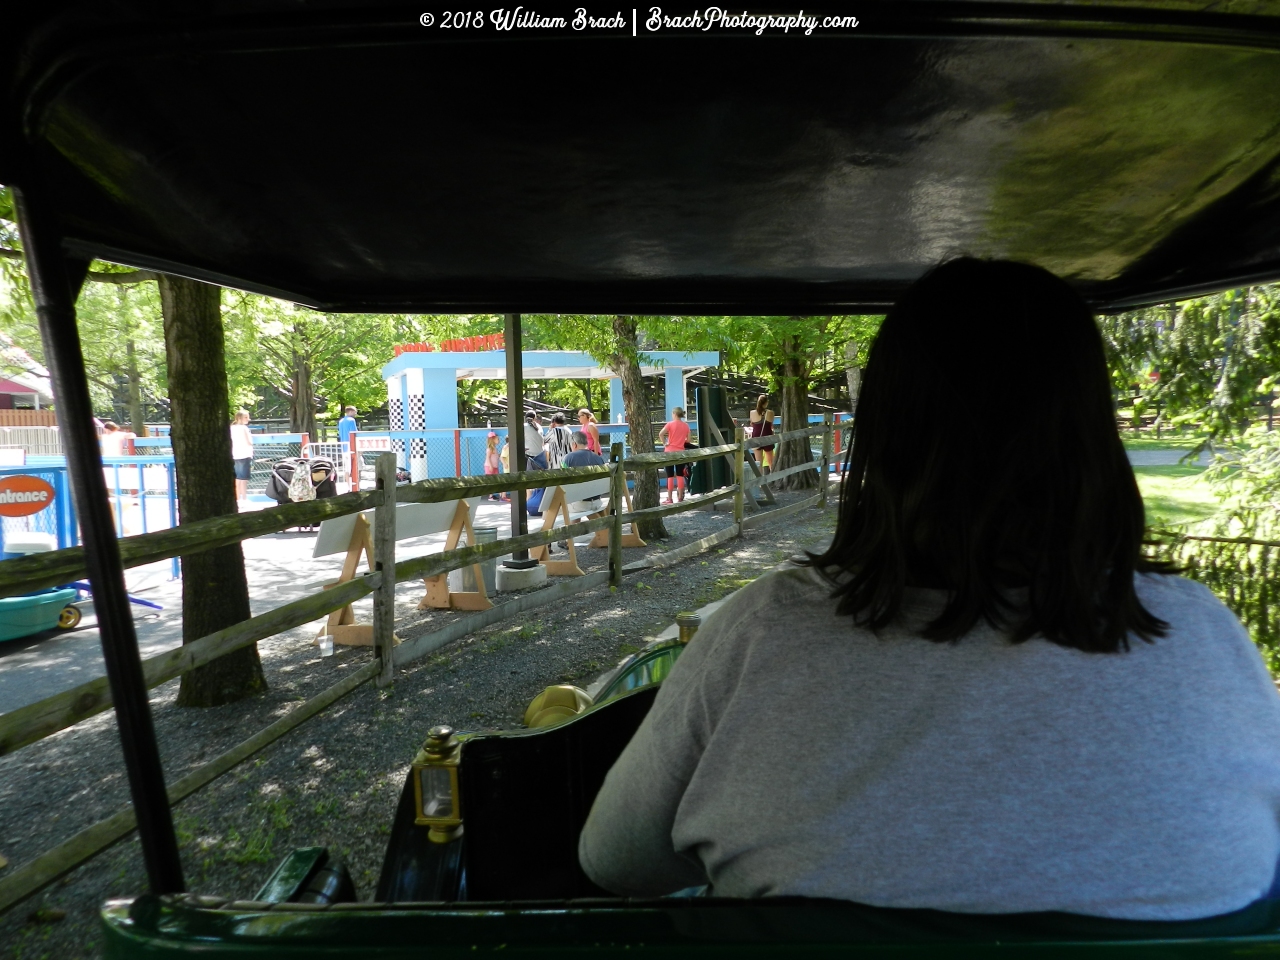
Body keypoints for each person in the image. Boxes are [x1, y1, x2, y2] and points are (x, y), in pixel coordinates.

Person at [579, 258, 1280, 921]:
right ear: (1090, 436)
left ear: (887, 438)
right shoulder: (1202, 635)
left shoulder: (762, 631)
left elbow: (615, 861)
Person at [657, 406, 691, 504]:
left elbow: (661, 434)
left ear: (675, 414)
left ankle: (669, 498)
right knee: (680, 474)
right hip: (680, 452)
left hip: (669, 451)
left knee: (670, 475)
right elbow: (688, 440)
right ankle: (680, 497)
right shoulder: (686, 426)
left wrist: (665, 443)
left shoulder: (670, 424)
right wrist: (681, 441)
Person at [230, 409, 254, 502]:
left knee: (238, 477)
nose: (248, 419)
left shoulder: (232, 428)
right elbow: (249, 442)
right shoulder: (244, 428)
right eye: (246, 417)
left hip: (235, 454)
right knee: (244, 478)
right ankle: (244, 498)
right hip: (245, 454)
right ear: (240, 418)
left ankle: (237, 498)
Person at [748, 394, 775, 474]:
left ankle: (760, 483)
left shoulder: (752, 413)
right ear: (766, 403)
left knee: (758, 462)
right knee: (771, 461)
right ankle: (773, 478)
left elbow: (752, 424)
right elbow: (771, 425)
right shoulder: (770, 413)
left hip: (756, 437)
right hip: (767, 436)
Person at [483, 431, 505, 501]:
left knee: (496, 480)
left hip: (495, 467)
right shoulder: (490, 449)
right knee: (491, 481)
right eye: (497, 439)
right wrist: (490, 466)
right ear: (493, 440)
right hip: (490, 467)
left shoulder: (494, 449)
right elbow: (488, 458)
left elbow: (495, 456)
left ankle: (496, 495)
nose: (499, 440)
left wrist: (500, 455)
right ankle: (490, 496)